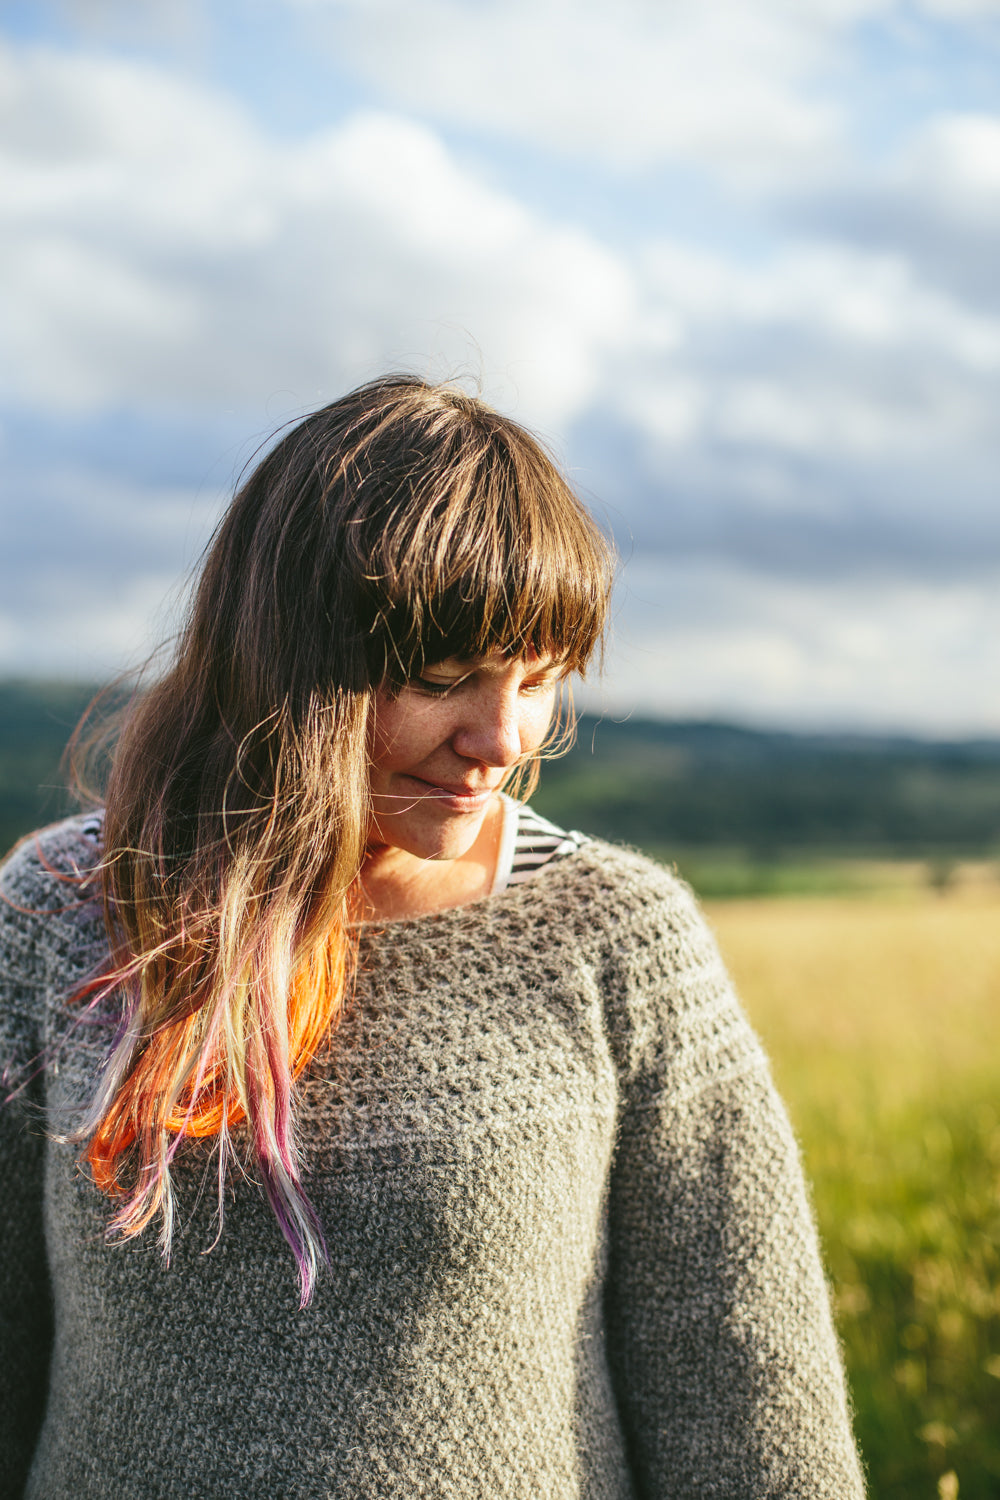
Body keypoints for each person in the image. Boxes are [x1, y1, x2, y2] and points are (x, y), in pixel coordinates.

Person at [0, 375, 866, 1498]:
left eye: (541, 679)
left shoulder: (611, 939)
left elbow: (748, 1401)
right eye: (445, 678)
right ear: (288, 661)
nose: (500, 738)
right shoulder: (63, 913)